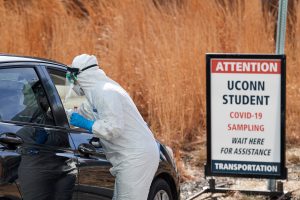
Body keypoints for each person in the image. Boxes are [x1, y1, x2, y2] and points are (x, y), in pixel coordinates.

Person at [68, 54, 159, 200]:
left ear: (82, 76)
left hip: (136, 156)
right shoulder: (96, 93)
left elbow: (114, 128)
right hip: (129, 156)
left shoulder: (106, 92)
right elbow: (83, 112)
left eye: (73, 77)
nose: (72, 82)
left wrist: (88, 125)